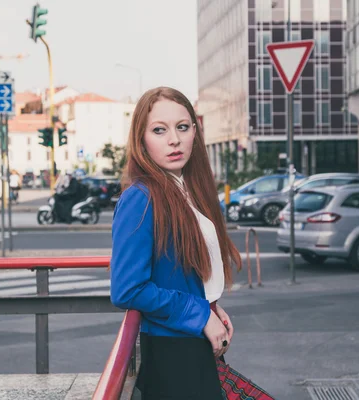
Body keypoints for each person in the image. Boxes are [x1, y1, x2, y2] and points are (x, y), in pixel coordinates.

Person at [110, 87, 242, 399]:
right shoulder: (140, 198)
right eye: (159, 130)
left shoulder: (188, 190)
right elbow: (128, 288)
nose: (174, 140)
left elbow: (181, 269)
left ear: (195, 132)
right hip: (172, 351)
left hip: (193, 342)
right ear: (141, 139)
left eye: (182, 127)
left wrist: (211, 306)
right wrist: (201, 314)